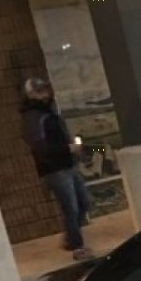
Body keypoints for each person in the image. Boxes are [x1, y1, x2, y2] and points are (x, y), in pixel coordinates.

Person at [21, 77, 94, 261]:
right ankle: (78, 247)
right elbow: (40, 146)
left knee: (84, 202)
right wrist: (67, 149)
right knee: (71, 207)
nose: (44, 94)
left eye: (45, 90)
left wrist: (72, 151)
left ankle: (71, 238)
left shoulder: (49, 112)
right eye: (39, 91)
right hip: (54, 169)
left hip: (66, 164)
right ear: (31, 95)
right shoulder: (33, 117)